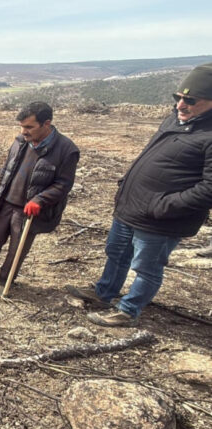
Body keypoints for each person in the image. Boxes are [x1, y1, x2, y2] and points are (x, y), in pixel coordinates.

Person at [68, 63, 212, 327]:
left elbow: (209, 189)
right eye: (178, 97)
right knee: (116, 253)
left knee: (146, 266)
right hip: (131, 207)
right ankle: (104, 293)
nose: (181, 105)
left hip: (162, 218)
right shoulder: (175, 119)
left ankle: (127, 310)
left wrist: (165, 205)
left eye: (190, 100)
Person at [0, 102, 79, 288]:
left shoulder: (66, 150)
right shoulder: (20, 141)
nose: (24, 131)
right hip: (6, 202)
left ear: (46, 124)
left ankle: (4, 281)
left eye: (29, 127)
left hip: (28, 210)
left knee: (17, 249)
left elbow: (63, 184)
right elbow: (6, 169)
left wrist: (40, 200)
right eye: (22, 126)